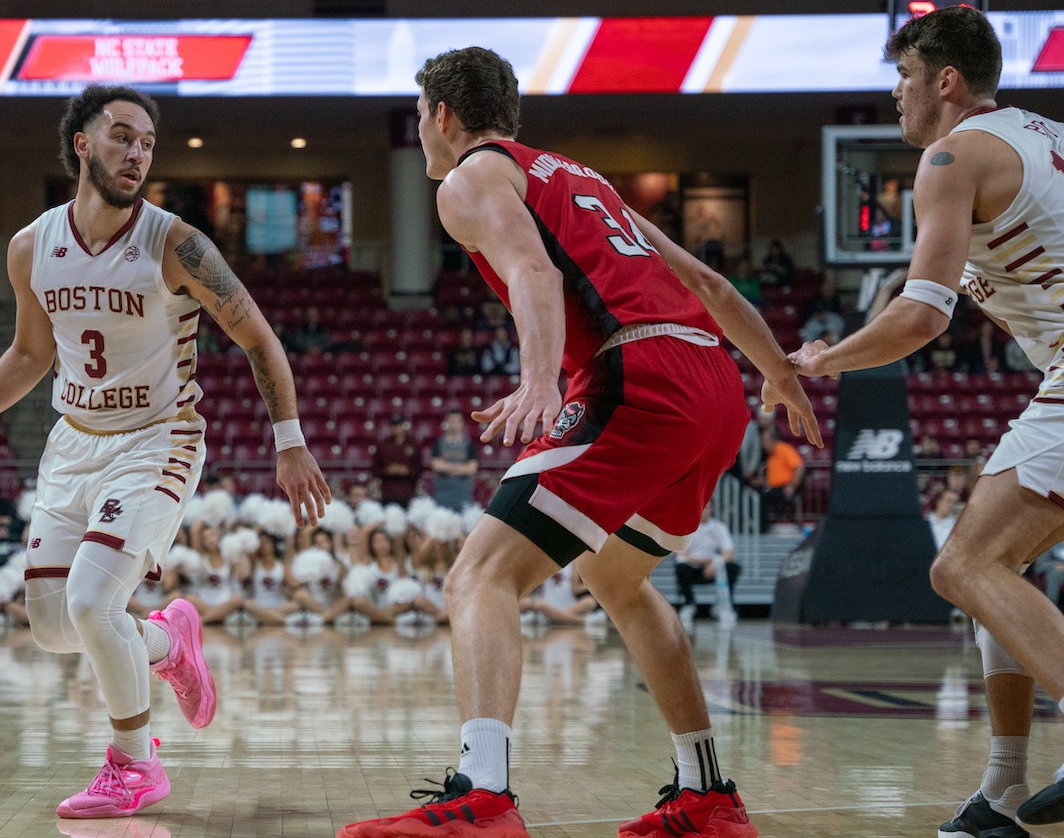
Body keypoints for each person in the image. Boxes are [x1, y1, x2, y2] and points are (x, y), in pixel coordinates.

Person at [338, 46, 818, 838]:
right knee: (617, 578)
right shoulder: (581, 179)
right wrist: (780, 374)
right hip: (713, 386)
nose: (421, 129)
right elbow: (712, 286)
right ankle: (708, 795)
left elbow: (532, 269)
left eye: (421, 114)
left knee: (479, 576)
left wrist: (539, 381)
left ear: (443, 116)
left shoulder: (471, 178)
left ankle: (481, 796)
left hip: (639, 375)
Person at [786, 9, 1064, 834]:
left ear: (945, 81)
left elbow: (921, 317)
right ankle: (1003, 792)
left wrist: (825, 360)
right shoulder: (1048, 137)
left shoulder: (954, 154)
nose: (897, 97)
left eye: (904, 78)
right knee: (995, 570)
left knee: (961, 567)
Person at [0, 85, 329, 819]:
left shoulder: (176, 243)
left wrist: (287, 440)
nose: (136, 153)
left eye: (146, 143)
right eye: (122, 137)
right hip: (73, 444)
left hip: (158, 438)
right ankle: (168, 639)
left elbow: (258, 336)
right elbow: (31, 354)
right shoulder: (31, 246)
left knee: (92, 603)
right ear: (82, 144)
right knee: (50, 627)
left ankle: (134, 764)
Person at [674, 503, 738, 626]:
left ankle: (723, 605)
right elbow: (680, 554)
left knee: (732, 568)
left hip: (712, 568)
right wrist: (703, 561)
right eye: (702, 507)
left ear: (711, 509)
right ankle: (689, 603)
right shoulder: (687, 526)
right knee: (681, 567)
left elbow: (729, 553)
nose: (704, 511)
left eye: (707, 507)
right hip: (692, 567)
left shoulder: (719, 527)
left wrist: (715, 563)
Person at [429, 410, 478, 510]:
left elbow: (471, 469)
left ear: (462, 423)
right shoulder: (438, 443)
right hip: (442, 495)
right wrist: (461, 468)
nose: (454, 424)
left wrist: (446, 467)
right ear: (446, 423)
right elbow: (437, 466)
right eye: (451, 421)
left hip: (463, 495)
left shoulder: (470, 444)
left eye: (457, 421)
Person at [370, 414, 422, 506]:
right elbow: (375, 469)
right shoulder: (383, 445)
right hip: (388, 492)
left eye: (399, 426)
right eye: (394, 426)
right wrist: (387, 471)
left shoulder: (414, 445)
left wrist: (407, 471)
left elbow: (419, 469)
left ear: (404, 427)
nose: (397, 429)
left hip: (408, 492)